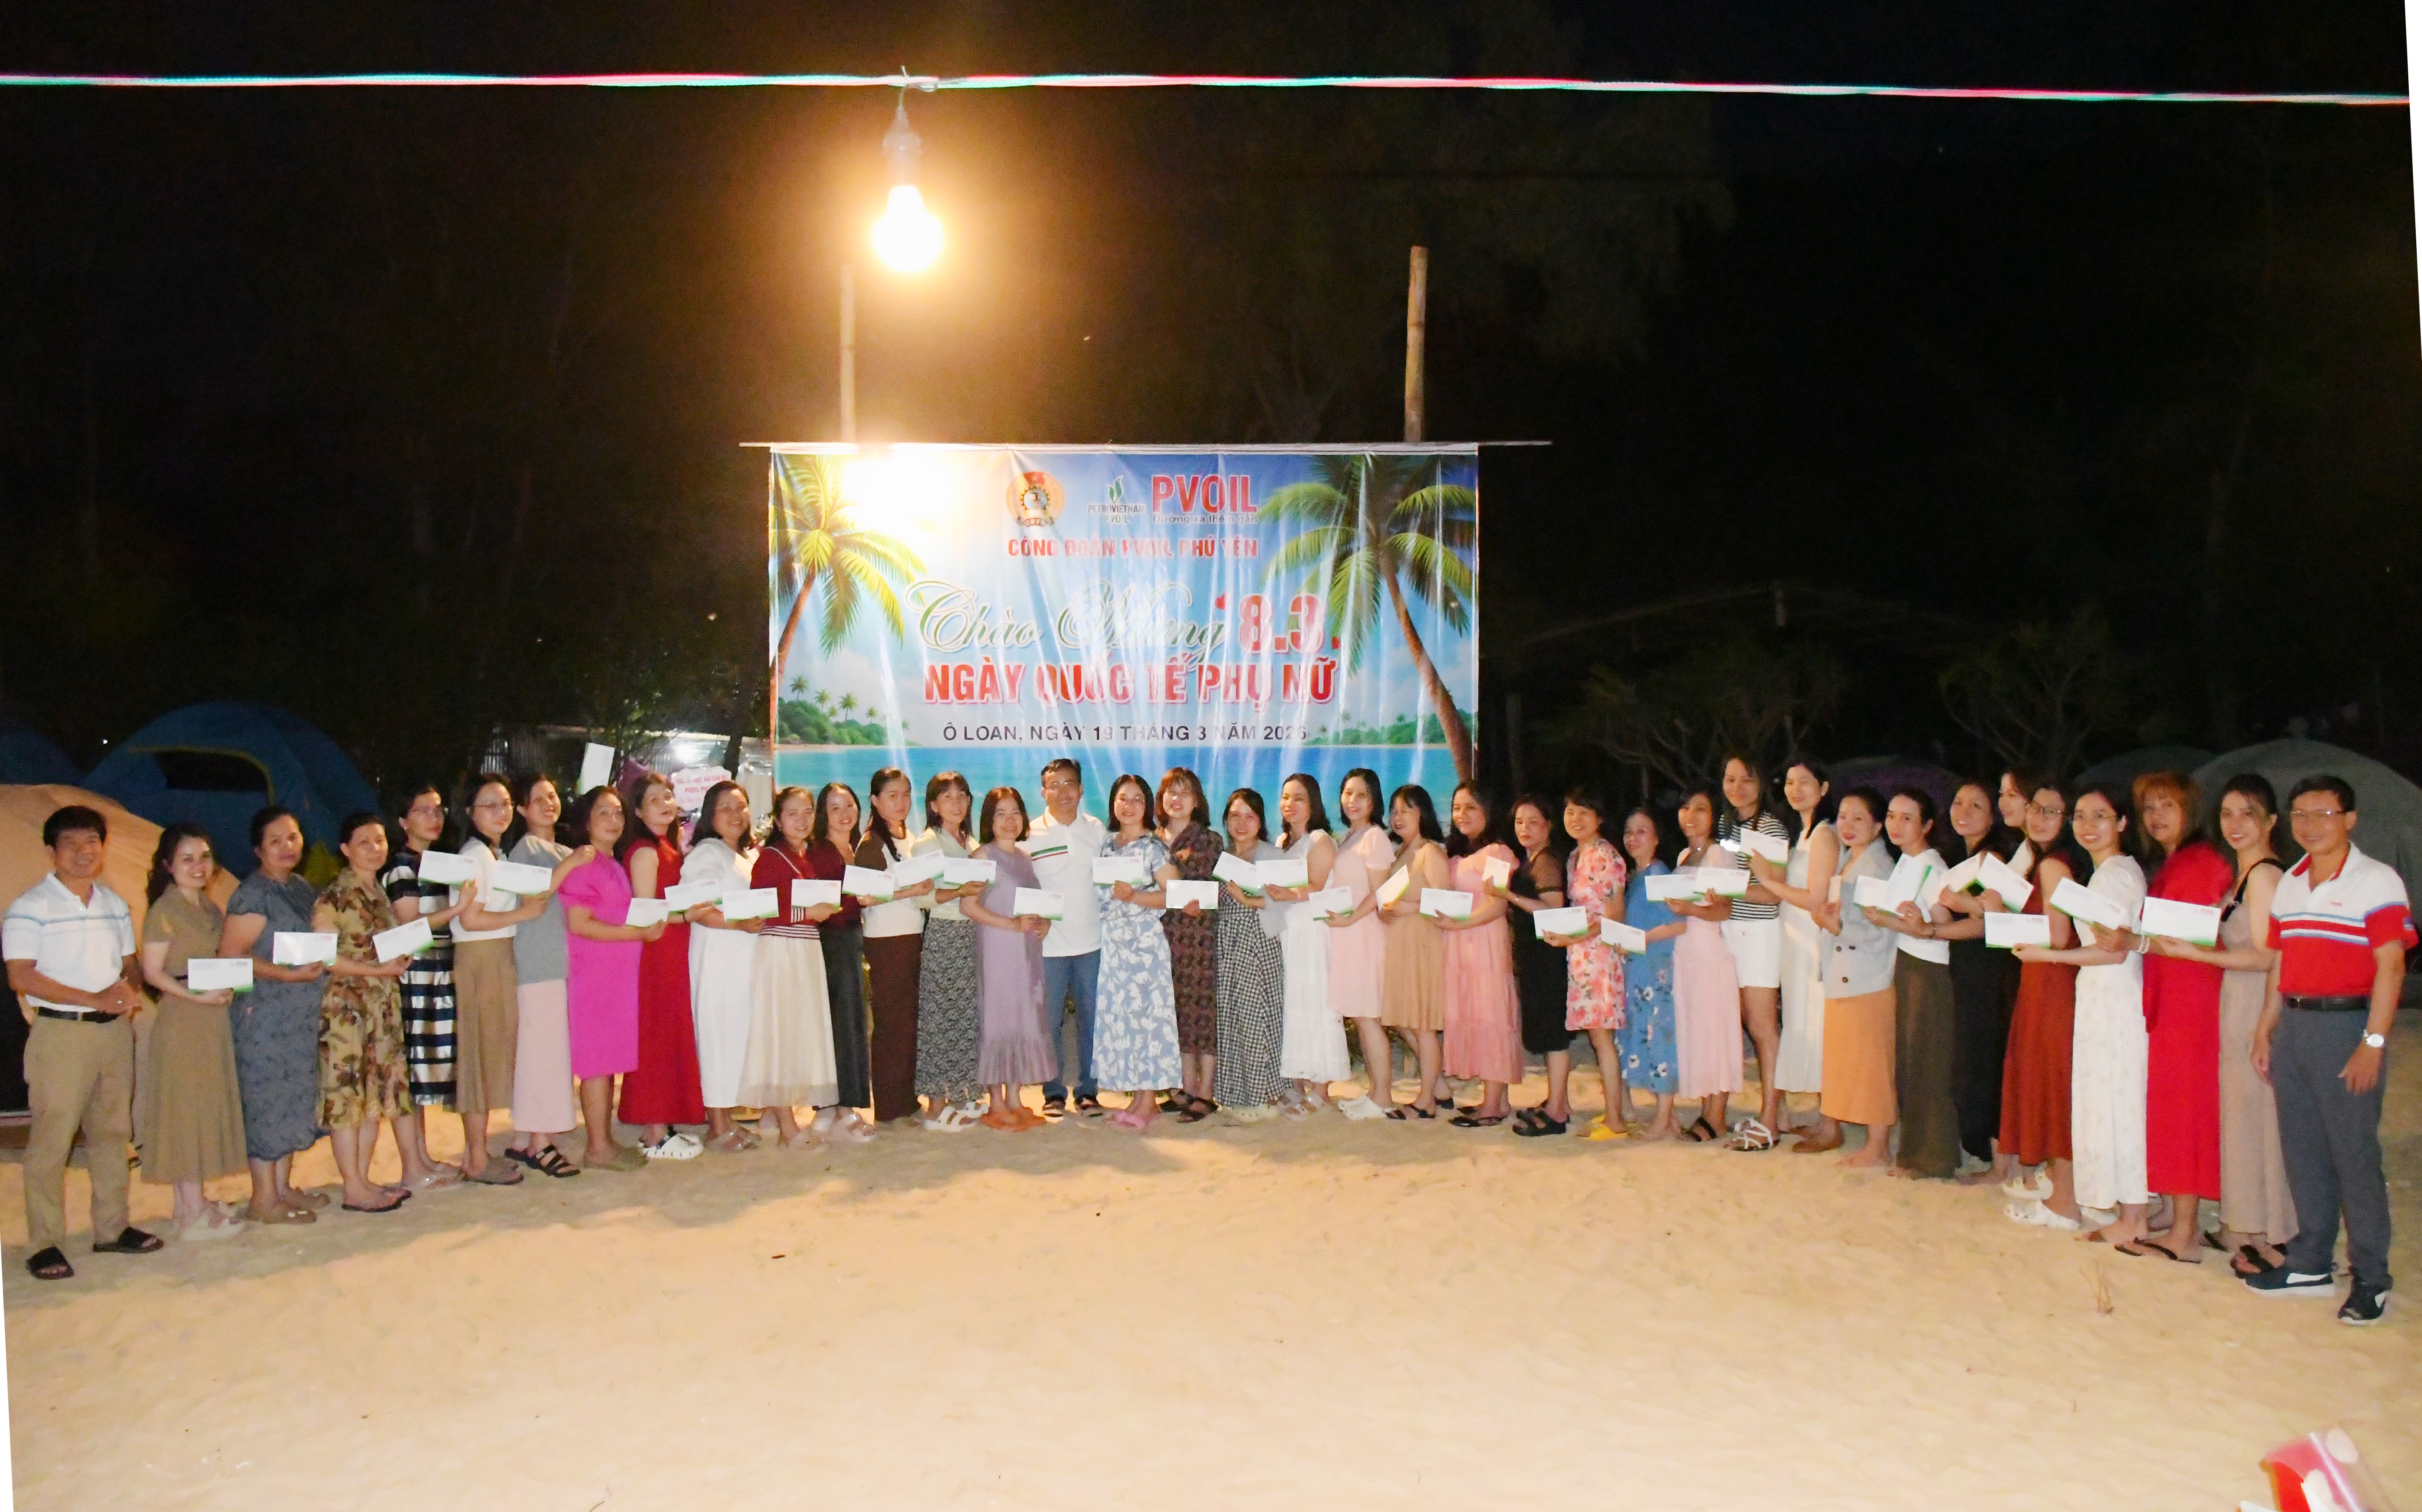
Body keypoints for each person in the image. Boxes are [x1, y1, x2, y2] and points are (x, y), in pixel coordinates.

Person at [2245, 775, 2410, 1325]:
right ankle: (2309, 1261)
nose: (2309, 825)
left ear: (2349, 820)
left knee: (2352, 1155)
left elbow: (2391, 966)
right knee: (2303, 1150)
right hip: (2293, 1025)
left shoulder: (2375, 880)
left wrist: (2372, 1043)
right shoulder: (2290, 881)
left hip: (2345, 1026)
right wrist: (2264, 1029)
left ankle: (2370, 1277)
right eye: (2299, 814)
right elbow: (2281, 962)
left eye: (2323, 813)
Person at [2144, 775, 2293, 1273]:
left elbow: (2269, 956)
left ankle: (2276, 1234)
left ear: (2270, 821)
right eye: (2227, 813)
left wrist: (2198, 954)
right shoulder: (2241, 874)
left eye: (2247, 813)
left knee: (2261, 1119)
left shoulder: (2265, 875)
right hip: (2233, 1002)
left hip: (2256, 1002)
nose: (2235, 823)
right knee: (2241, 1118)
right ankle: (2243, 1226)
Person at [5, 806, 160, 1279]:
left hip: (113, 1032)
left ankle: (111, 1228)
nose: (83, 851)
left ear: (103, 846)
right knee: (52, 1139)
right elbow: (22, 975)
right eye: (70, 843)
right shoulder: (30, 907)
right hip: (62, 1034)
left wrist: (131, 988)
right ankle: (44, 1242)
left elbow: (129, 962)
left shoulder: (113, 903)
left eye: (91, 841)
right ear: (51, 851)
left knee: (112, 1133)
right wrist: (94, 997)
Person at [2015, 783, 2149, 1247]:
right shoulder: (2104, 873)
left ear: (2122, 823)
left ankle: (2133, 1217)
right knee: (2108, 1102)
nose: (2088, 826)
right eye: (2081, 817)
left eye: (2101, 816)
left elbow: (2112, 951)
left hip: (2114, 997)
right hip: (2100, 995)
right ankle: (2125, 1210)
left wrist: (2048, 956)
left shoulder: (2115, 875)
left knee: (2121, 1103)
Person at [2109, 771, 2234, 1261]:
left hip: (2191, 998)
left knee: (2184, 1110)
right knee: (2168, 1106)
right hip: (2173, 996)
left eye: (2167, 805)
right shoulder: (2175, 861)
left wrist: (2135, 940)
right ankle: (2171, 1210)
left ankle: (2185, 1231)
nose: (2156, 816)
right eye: (2148, 807)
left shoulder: (2200, 862)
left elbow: (2188, 935)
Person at [133, 824, 248, 1240]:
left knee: (201, 1106)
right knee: (185, 1110)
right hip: (184, 1018)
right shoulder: (165, 910)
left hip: (210, 1017)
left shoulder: (208, 908)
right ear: (168, 864)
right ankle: (192, 1213)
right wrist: (195, 997)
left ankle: (191, 1203)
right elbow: (152, 972)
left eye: (204, 857)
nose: (198, 866)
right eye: (187, 858)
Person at [222, 806, 337, 1218]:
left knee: (293, 1100)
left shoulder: (301, 888)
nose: (287, 846)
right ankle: (263, 1199)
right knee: (267, 1102)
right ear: (258, 849)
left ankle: (283, 1188)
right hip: (265, 1017)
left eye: (293, 837)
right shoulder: (253, 894)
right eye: (275, 840)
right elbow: (230, 955)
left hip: (299, 1017)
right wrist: (286, 975)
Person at [450, 773, 556, 1184]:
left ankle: (479, 1153)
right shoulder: (474, 854)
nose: (501, 812)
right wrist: (522, 914)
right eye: (490, 805)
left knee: (491, 1055)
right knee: (478, 1057)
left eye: (507, 803)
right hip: (481, 957)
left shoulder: (495, 854)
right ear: (470, 812)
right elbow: (470, 919)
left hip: (496, 956)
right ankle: (476, 1159)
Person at [1992, 782, 2088, 1226]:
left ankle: (2065, 1201)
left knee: (2052, 1083)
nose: (2038, 817)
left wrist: (2001, 920)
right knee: (2053, 1080)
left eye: (2052, 811)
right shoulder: (2054, 860)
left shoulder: (2052, 864)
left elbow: (2057, 934)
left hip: (2051, 981)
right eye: (2034, 807)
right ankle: (2061, 1187)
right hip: (2046, 978)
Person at [312, 812, 416, 1212]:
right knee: (346, 1098)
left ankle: (363, 1180)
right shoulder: (336, 895)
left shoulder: (378, 891)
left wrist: (397, 960)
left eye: (380, 840)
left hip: (380, 1004)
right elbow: (325, 957)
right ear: (345, 849)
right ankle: (353, 1187)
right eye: (364, 842)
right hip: (348, 1010)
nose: (375, 849)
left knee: (373, 1095)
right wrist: (378, 970)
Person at [558, 785, 657, 1171]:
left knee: (608, 1060)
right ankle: (597, 1147)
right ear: (586, 821)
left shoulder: (610, 862)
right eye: (604, 813)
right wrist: (637, 933)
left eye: (618, 813)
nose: (614, 820)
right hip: (593, 976)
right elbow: (579, 923)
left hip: (615, 977)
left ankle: (604, 1140)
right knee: (597, 1064)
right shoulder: (584, 863)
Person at [1862, 788, 1958, 1180]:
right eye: (1891, 816)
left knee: (1926, 1062)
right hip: (1909, 961)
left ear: (1927, 825)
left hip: (1928, 968)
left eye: (1907, 818)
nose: (1896, 825)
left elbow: (1942, 924)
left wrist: (1896, 921)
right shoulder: (1908, 861)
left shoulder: (1931, 865)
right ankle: (1916, 1152)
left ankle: (1931, 1158)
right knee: (1911, 1059)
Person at [502, 773, 593, 1178]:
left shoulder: (562, 848)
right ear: (522, 809)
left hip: (562, 962)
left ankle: (525, 1136)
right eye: (538, 799)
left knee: (544, 1051)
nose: (548, 804)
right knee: (544, 1053)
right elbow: (534, 895)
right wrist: (573, 862)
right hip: (539, 962)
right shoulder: (526, 848)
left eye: (553, 796)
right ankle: (541, 1141)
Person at [1932, 778, 2024, 1179]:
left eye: (1977, 806)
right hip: (1968, 966)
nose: (1964, 812)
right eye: (1958, 803)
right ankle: (1988, 1150)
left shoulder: (1993, 858)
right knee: (1974, 1057)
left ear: (1992, 818)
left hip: (1991, 970)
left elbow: (1991, 921)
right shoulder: (1962, 857)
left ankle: (1999, 1157)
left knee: (1986, 1059)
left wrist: (1937, 927)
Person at [742, 785, 843, 1146]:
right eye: (792, 813)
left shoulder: (803, 857)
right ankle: (788, 1128)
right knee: (780, 1034)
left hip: (803, 950)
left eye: (807, 812)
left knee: (796, 1030)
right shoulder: (771, 858)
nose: (802, 820)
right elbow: (759, 911)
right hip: (781, 950)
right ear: (778, 819)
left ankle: (773, 1116)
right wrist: (808, 912)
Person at [1748, 757, 1838, 1145]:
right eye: (1789, 782)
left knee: (1819, 1023)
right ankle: (1824, 1116)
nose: (1795, 789)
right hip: (1795, 940)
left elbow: (1815, 896)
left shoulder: (1825, 834)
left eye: (1805, 782)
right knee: (1804, 1020)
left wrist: (1769, 881)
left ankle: (1832, 1123)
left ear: (1824, 788)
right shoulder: (1804, 834)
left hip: (1813, 940)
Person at [380, 782, 465, 1190]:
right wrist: (458, 909)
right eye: (423, 810)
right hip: (415, 974)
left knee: (424, 1071)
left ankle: (422, 1158)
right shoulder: (402, 867)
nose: (435, 818)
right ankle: (413, 1166)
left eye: (438, 809)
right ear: (402, 821)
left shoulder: (434, 862)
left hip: (437, 972)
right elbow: (409, 923)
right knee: (412, 1071)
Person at [618, 771, 706, 1160]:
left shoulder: (666, 846)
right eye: (654, 799)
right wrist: (687, 916)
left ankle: (663, 1123)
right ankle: (653, 1132)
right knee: (655, 1036)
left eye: (668, 796)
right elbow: (646, 913)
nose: (665, 804)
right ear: (638, 811)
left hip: (673, 950)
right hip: (656, 953)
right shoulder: (645, 851)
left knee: (670, 1034)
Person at [1808, 788, 1896, 1166]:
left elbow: (1881, 930)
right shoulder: (1850, 859)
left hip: (1867, 977)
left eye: (1859, 818)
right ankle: (1848, 1130)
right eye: (1844, 816)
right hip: (1845, 974)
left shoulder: (1878, 867)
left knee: (1873, 1065)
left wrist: (1837, 926)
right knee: (1849, 1060)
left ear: (1877, 826)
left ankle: (1878, 1146)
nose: (1848, 824)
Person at [1096, 773, 1183, 1131]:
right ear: (1113, 803)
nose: (1129, 805)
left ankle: (1149, 1102)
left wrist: (1136, 897)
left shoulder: (1154, 847)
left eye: (1137, 799)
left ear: (1147, 806)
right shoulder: (1107, 844)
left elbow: (1176, 893)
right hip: (1115, 945)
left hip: (1144, 945)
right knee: (1126, 1020)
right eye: (1122, 798)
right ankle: (1136, 1097)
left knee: (1148, 1020)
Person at [963, 787, 1054, 1130]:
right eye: (1000, 813)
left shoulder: (1025, 857)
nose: (1009, 820)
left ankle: (1015, 1098)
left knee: (1022, 1016)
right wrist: (1011, 924)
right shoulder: (982, 857)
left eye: (1015, 812)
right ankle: (997, 1102)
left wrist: (1044, 923)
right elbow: (968, 906)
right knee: (997, 1017)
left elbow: (1037, 904)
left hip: (1025, 951)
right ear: (989, 819)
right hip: (997, 947)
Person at [684, 780, 765, 1152]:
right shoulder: (706, 853)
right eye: (726, 808)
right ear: (710, 815)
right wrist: (739, 924)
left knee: (735, 1038)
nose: (736, 814)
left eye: (741, 806)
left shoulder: (746, 855)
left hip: (743, 960)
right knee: (717, 1036)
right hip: (717, 958)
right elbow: (698, 909)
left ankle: (727, 1118)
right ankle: (717, 1126)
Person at [1436, 784, 1523, 1127]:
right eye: (1457, 808)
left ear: (1488, 810)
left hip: (1485, 941)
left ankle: (1492, 1106)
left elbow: (1498, 905)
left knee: (1491, 1016)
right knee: (1473, 1014)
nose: (1462, 815)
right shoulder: (1456, 854)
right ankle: (1497, 1100)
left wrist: (1459, 923)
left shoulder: (1497, 852)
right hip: (1459, 945)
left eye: (1471, 807)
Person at [1716, 754, 1790, 1148]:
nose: (1738, 787)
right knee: (1750, 1022)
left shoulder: (1771, 828)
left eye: (1747, 779)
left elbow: (1773, 893)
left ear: (1761, 783)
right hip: (1731, 929)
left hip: (1760, 932)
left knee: (1763, 1028)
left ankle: (1770, 1121)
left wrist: (1728, 886)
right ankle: (1781, 1112)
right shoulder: (1727, 825)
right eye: (1730, 779)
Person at [1547, 787, 1630, 1139]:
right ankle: (1616, 1111)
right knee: (1599, 1038)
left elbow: (1613, 915)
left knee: (1602, 1038)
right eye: (1570, 812)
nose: (1576, 819)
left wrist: (1572, 937)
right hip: (1581, 956)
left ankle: (1616, 1120)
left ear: (1600, 818)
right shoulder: (1574, 857)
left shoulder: (1605, 856)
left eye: (1584, 812)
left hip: (1601, 955)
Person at [1263, 774, 1348, 1115]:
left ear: (1313, 802)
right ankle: (1298, 1082)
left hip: (1312, 931)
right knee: (1293, 1007)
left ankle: (1321, 1090)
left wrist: (1289, 894)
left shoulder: (1320, 840)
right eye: (1286, 797)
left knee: (1316, 1006)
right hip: (1288, 931)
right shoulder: (1283, 841)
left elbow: (1317, 885)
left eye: (1299, 798)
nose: (1290, 804)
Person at [855, 767, 935, 1125]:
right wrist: (911, 891)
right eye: (892, 795)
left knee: (908, 1022)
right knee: (890, 1023)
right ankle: (888, 1105)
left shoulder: (908, 837)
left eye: (905, 794)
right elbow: (865, 896)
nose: (901, 802)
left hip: (912, 935)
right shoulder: (871, 842)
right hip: (887, 940)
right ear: (875, 800)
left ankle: (906, 1098)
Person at [1030, 758, 1108, 1117]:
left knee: (1093, 1018)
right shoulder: (1030, 834)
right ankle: (1053, 1091)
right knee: (1049, 1022)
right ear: (1043, 791)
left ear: (1081, 789)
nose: (1063, 792)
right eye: (1055, 785)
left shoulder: (1097, 829)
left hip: (1092, 942)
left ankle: (1089, 1090)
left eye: (1070, 784)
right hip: (1048, 946)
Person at [1668, 784, 1744, 1145]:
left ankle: (1717, 1115)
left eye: (1700, 809)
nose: (1691, 816)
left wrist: (1690, 909)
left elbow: (1725, 909)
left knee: (1715, 1031)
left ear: (1714, 817)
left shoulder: (1719, 854)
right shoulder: (1684, 855)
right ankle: (1706, 1107)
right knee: (1698, 1031)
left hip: (1710, 951)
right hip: (1686, 953)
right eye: (1685, 808)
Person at [910, 772, 986, 1130]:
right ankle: (935, 1107)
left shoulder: (971, 841)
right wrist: (958, 891)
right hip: (945, 934)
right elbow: (922, 898)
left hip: (973, 933)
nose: (956, 803)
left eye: (962, 796)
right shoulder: (928, 843)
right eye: (947, 797)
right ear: (934, 805)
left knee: (966, 1017)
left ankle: (961, 1093)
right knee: (940, 1018)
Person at [1492, 795, 1571, 1134]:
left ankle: (1557, 1113)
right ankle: (1559, 1101)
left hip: (1548, 955)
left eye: (1534, 821)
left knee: (1554, 1035)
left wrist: (1508, 896)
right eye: (1519, 822)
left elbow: (1553, 908)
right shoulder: (1533, 859)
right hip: (1537, 954)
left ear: (1548, 825)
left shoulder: (1547, 861)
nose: (1525, 828)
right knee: (1548, 1031)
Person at [1323, 768, 1397, 1120]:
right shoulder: (1349, 836)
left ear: (1373, 801)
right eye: (1348, 793)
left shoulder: (1375, 837)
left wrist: (1351, 917)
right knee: (1361, 1016)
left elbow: (1380, 892)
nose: (1352, 801)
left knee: (1369, 1019)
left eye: (1361, 795)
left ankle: (1383, 1098)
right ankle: (1374, 1092)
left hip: (1364, 933)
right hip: (1347, 934)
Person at [803, 782, 875, 1142]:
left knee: (852, 1023)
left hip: (852, 939)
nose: (845, 813)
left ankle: (841, 1105)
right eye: (835, 808)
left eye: (849, 805)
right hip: (831, 942)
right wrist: (856, 900)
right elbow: (820, 903)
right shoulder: (820, 851)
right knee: (838, 1024)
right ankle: (838, 1107)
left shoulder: (857, 845)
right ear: (823, 814)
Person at [1375, 784, 1451, 1120]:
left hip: (1422, 944)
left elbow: (1445, 902)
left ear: (1423, 814)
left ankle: (1425, 1102)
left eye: (1407, 810)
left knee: (1422, 1025)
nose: (1398, 817)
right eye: (1394, 811)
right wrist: (1386, 912)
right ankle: (1440, 1088)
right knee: (1402, 1019)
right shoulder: (1401, 853)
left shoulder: (1429, 852)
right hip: (1399, 944)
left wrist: (1408, 907)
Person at [1211, 787, 1286, 1120]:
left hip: (1258, 942)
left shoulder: (1271, 855)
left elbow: (1284, 901)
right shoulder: (1224, 857)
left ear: (1260, 821)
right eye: (1235, 816)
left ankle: (1263, 1097)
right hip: (1228, 943)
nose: (1241, 823)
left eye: (1249, 817)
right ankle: (1237, 1094)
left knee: (1258, 1019)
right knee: (1232, 1019)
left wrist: (1247, 900)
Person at [1612, 807, 1682, 1140]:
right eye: (1629, 831)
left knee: (1660, 1042)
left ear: (1656, 838)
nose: (1633, 838)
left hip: (1657, 971)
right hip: (1638, 971)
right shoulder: (1636, 877)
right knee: (1643, 1038)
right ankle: (1669, 1115)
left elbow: (1679, 924)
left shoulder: (1659, 874)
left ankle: (1663, 1118)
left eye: (1642, 831)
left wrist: (1642, 939)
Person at [1158, 767, 1223, 1117]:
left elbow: (1218, 889)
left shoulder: (1210, 840)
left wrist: (1203, 903)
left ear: (1196, 801)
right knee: (1176, 1015)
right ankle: (1186, 1088)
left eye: (1184, 792)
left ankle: (1206, 1092)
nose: (1176, 799)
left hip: (1199, 940)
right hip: (1160, 939)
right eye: (1171, 791)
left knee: (1202, 1015)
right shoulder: (1152, 839)